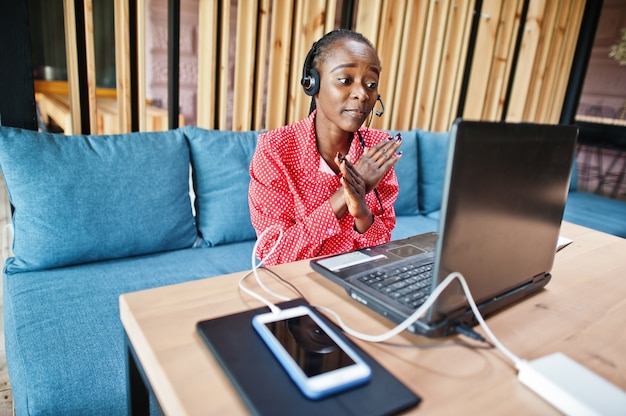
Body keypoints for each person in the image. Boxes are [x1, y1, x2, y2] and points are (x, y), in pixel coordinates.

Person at [248, 28, 402, 266]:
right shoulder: (275, 150)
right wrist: (344, 195)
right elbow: (274, 255)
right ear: (312, 84)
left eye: (371, 84)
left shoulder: (376, 150)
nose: (362, 94)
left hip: (357, 280)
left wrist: (361, 211)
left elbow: (382, 246)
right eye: (345, 80)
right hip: (297, 285)